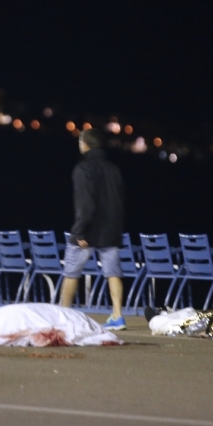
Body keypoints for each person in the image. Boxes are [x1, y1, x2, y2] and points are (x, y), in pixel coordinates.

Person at [60, 128, 127, 330]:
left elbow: (85, 204)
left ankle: (63, 314)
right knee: (112, 272)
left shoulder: (82, 169)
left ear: (85, 144)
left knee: (71, 271)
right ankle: (117, 315)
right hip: (111, 230)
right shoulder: (114, 169)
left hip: (88, 231)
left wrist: (79, 231)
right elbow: (120, 201)